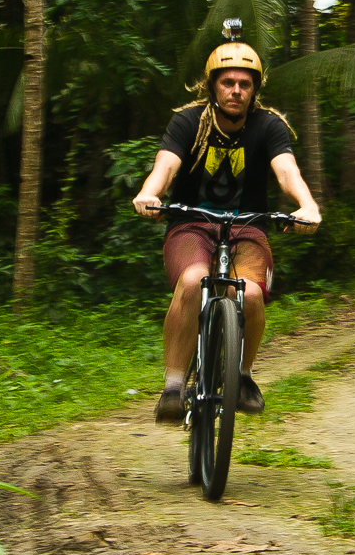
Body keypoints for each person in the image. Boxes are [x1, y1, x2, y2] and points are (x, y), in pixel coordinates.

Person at [130, 29, 322, 425]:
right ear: (212, 85)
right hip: (190, 225)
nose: (236, 90)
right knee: (192, 281)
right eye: (228, 82)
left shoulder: (268, 126)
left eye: (245, 84)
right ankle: (173, 385)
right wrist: (149, 194)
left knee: (249, 294)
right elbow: (165, 167)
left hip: (248, 228)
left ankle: (244, 377)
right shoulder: (189, 122)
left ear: (255, 90)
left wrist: (307, 205)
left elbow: (287, 172)